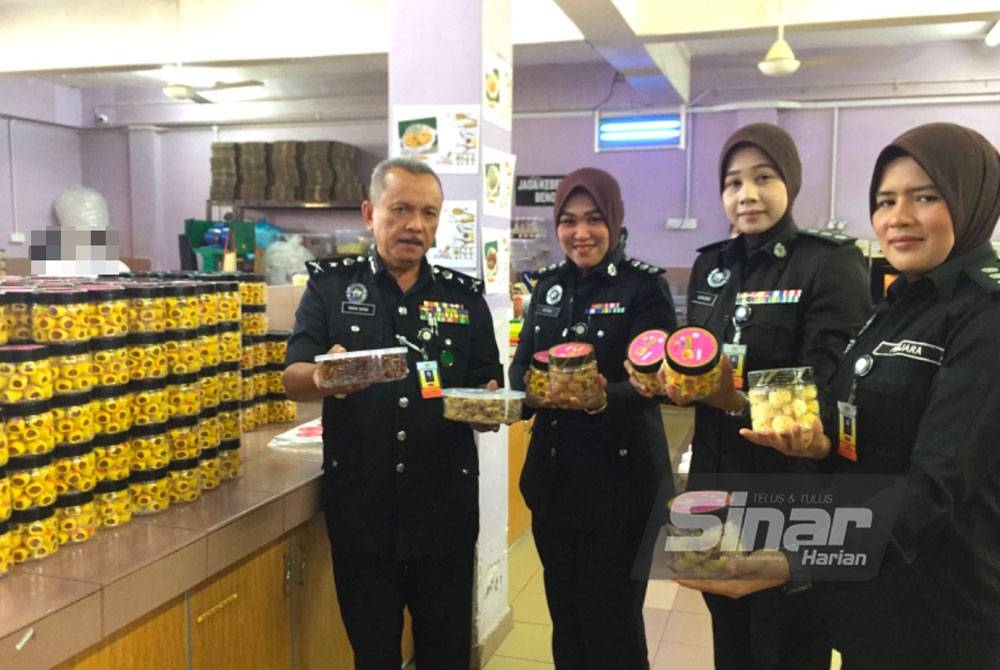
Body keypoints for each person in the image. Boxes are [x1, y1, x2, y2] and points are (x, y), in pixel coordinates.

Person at [740, 122, 1000, 668]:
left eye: (925, 197)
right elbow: (868, 424)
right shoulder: (900, 301)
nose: (897, 218)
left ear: (971, 198)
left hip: (943, 613)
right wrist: (821, 441)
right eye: (885, 201)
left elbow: (937, 483)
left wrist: (794, 557)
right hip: (873, 600)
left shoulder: (986, 314)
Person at [632, 123, 870, 669]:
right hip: (715, 489)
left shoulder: (827, 263)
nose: (747, 195)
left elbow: (830, 387)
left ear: (791, 183)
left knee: (786, 645)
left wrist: (733, 399)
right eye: (733, 182)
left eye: (763, 178)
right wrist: (673, 381)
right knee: (731, 643)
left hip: (790, 496)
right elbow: (699, 362)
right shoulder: (711, 266)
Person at [283, 157, 502, 670]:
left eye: (428, 213)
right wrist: (323, 376)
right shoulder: (331, 287)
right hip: (362, 511)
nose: (415, 225)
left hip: (443, 511)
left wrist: (487, 406)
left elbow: (489, 383)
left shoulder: (463, 298)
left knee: (446, 654)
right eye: (400, 209)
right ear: (370, 214)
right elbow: (292, 376)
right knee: (374, 654)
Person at [509, 167, 676, 668]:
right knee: (567, 621)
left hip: (621, 488)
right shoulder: (548, 288)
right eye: (568, 221)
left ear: (615, 220)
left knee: (612, 626)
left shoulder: (643, 287)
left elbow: (657, 382)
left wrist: (602, 399)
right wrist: (528, 392)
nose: (581, 233)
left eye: (594, 219)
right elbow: (521, 368)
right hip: (554, 484)